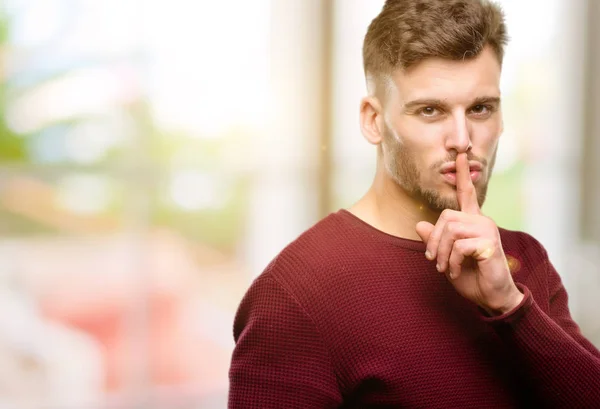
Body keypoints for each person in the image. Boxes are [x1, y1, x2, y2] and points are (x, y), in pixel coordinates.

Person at [228, 0, 600, 407]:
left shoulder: (523, 261)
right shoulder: (296, 295)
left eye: (480, 108)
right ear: (374, 120)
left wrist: (512, 307)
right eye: (430, 110)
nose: (462, 138)